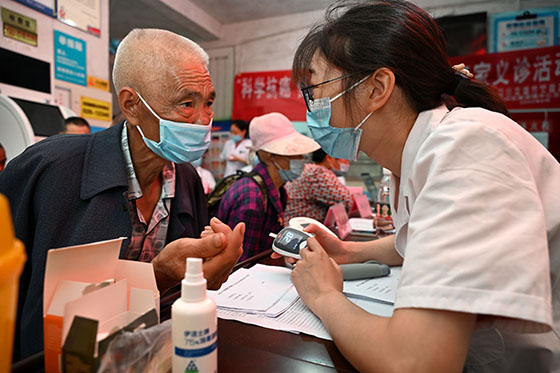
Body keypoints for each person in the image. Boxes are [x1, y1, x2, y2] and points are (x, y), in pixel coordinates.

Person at [276, 1, 560, 371]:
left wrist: (324, 295)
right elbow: (428, 239)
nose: (312, 108)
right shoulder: (422, 153)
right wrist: (351, 253)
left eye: (316, 90)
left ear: (377, 88)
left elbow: (414, 362)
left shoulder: (467, 146)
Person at [0, 28, 244, 361]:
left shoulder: (185, 177)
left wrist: (204, 266)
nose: (204, 121)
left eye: (209, 102)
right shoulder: (48, 169)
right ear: (130, 105)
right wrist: (158, 273)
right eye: (187, 104)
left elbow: (182, 297)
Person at [215, 112, 319, 261]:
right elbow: (242, 262)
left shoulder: (278, 190)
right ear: (271, 156)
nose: (301, 160)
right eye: (294, 154)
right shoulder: (252, 197)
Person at [285, 148, 353, 222]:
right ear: (329, 157)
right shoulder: (317, 173)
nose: (347, 163)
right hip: (302, 227)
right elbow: (347, 201)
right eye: (344, 159)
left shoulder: (309, 169)